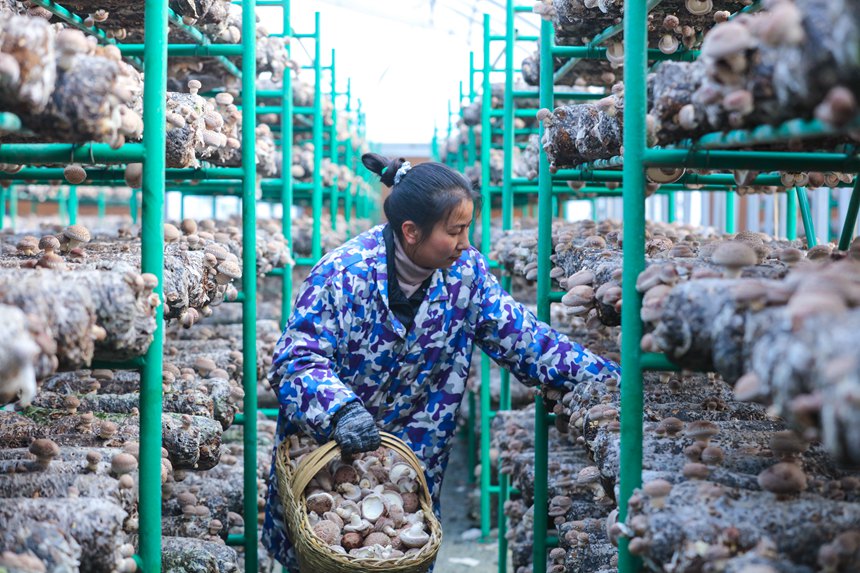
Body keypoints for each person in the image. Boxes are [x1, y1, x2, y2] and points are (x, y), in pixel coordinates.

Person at [262, 153, 620, 570]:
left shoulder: (465, 274)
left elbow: (525, 338)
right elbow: (295, 359)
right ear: (411, 231)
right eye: (456, 231)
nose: (466, 242)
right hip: (327, 464)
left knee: (400, 557)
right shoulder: (344, 274)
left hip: (409, 469)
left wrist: (611, 381)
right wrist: (339, 411)